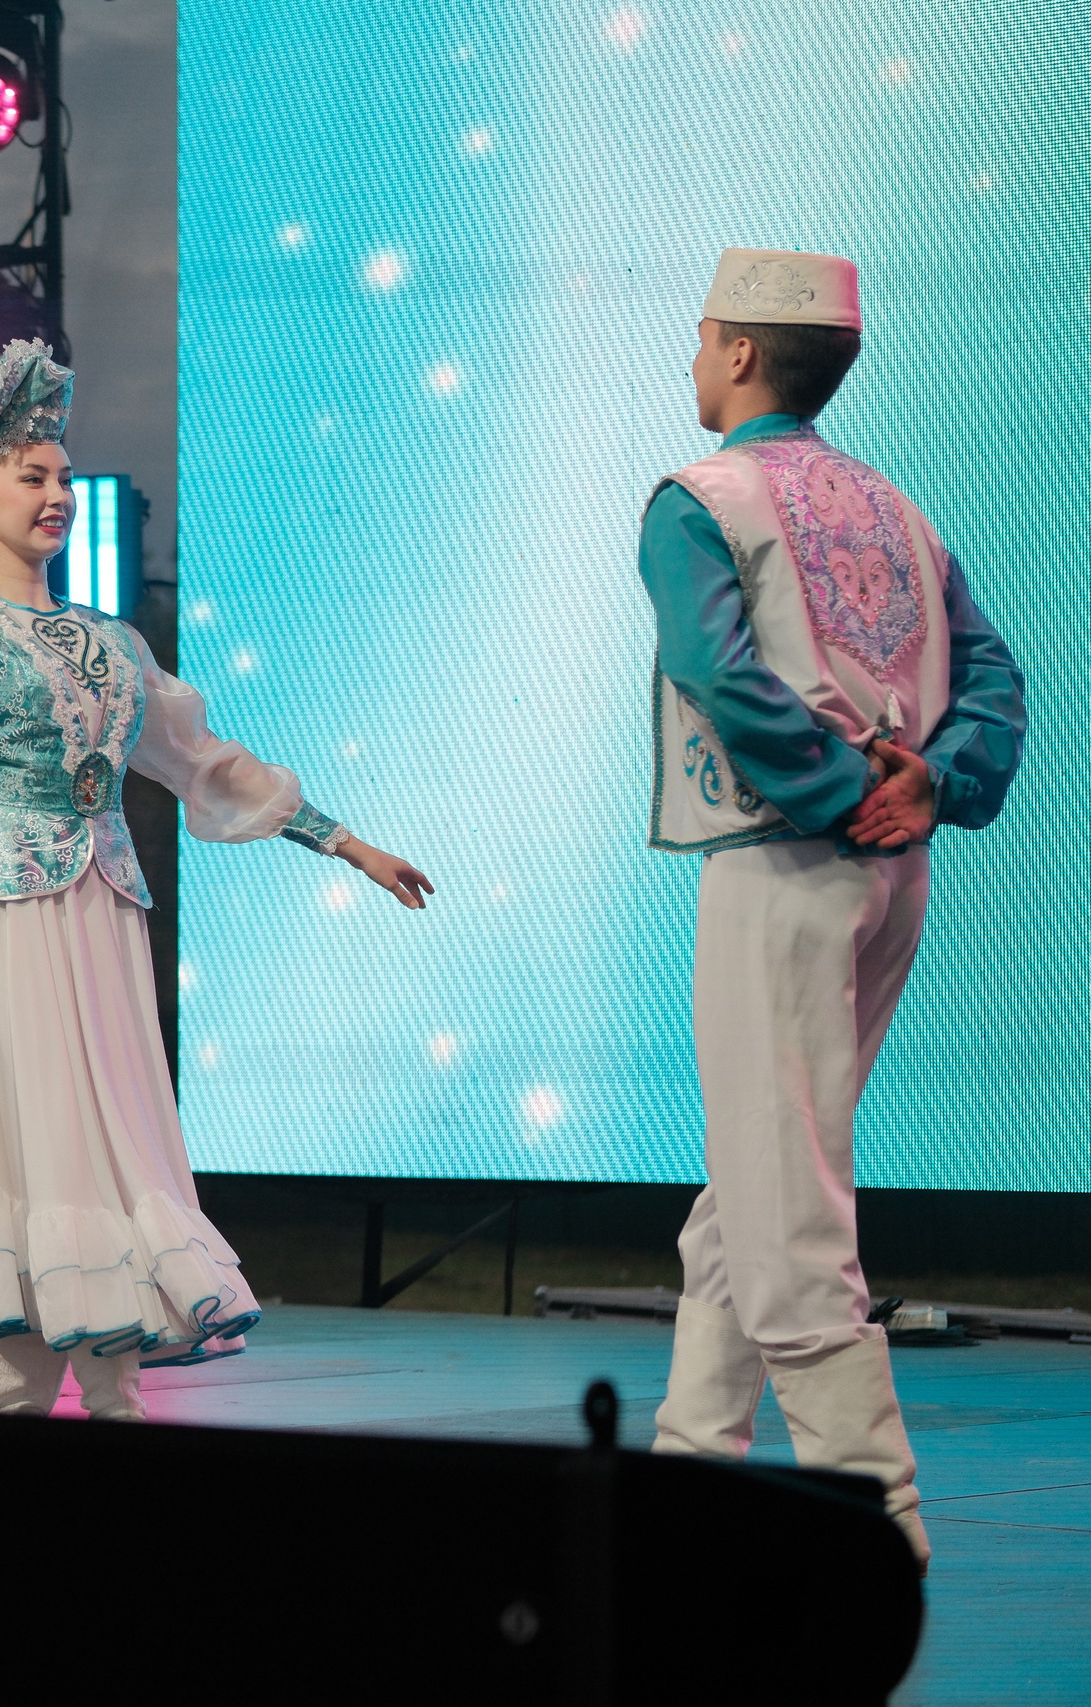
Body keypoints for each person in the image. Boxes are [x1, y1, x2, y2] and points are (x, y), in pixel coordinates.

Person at [0, 341, 434, 1420]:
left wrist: (343, 840)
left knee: (108, 1124)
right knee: (32, 1124)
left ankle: (84, 1392)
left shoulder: (109, 638)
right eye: (30, 478)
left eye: (60, 477)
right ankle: (56, 1394)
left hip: (96, 894)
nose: (55, 494)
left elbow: (205, 762)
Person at [638, 249, 1026, 1570]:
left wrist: (830, 785)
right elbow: (992, 670)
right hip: (891, 871)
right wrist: (929, 778)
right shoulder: (895, 504)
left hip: (784, 860)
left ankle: (877, 1520)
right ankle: (690, 1481)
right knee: (746, 1192)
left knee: (787, 1196)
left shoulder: (700, 499)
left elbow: (715, 668)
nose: (691, 362)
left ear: (743, 353)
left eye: (701, 339)